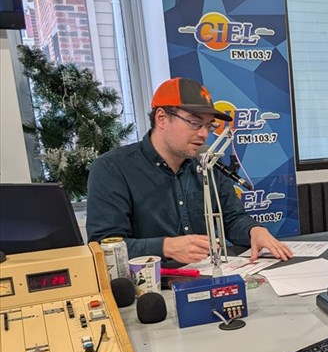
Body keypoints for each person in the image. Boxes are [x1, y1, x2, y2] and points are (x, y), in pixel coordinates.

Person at [87, 77, 292, 264]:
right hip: (150, 291)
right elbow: (105, 247)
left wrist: (254, 230)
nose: (204, 134)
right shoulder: (113, 169)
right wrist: (165, 247)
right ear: (161, 118)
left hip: (207, 277)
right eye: (194, 123)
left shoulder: (208, 164)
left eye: (209, 126)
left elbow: (232, 218)